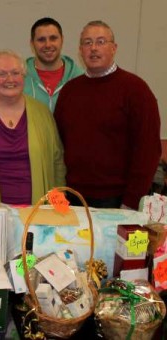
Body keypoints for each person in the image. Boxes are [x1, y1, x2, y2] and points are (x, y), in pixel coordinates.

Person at [54, 20, 161, 209]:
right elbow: (60, 145)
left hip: (119, 201)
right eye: (87, 42)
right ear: (80, 50)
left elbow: (148, 151)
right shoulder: (69, 91)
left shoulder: (136, 90)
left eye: (101, 41)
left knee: (123, 241)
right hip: (73, 198)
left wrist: (131, 202)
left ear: (114, 48)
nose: (93, 48)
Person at [0, 50, 66, 205]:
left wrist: (59, 205)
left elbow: (57, 162)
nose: (10, 79)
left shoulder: (42, 113)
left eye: (15, 73)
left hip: (36, 212)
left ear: (23, 77)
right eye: (2, 74)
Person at [23, 17, 83, 112]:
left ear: (62, 40)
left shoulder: (81, 78)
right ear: (32, 43)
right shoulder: (19, 77)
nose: (48, 45)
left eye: (53, 38)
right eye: (41, 40)